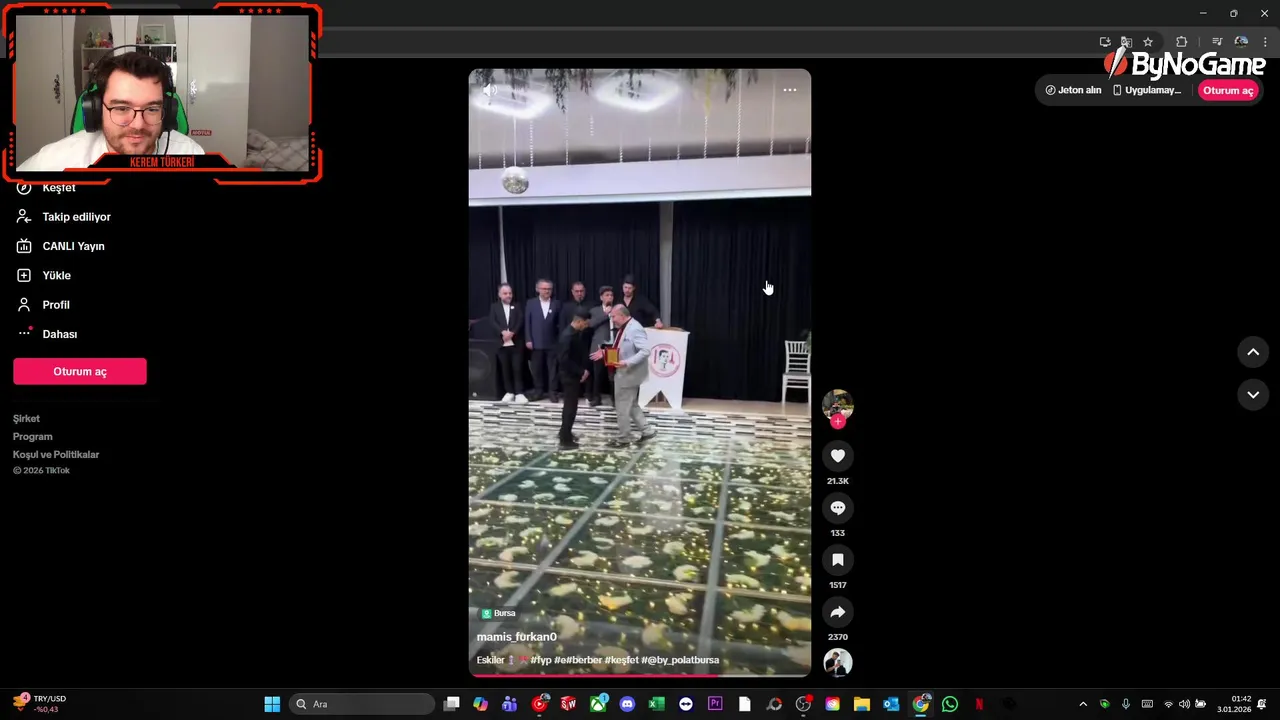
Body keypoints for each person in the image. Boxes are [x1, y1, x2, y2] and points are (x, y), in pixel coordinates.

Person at [17, 52, 204, 171]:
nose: (138, 125)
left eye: (152, 109)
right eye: (122, 108)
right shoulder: (56, 161)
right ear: (97, 110)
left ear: (167, 112)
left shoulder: (190, 154)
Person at [596, 305, 657, 446]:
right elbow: (621, 347)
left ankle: (624, 438)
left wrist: (627, 362)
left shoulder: (635, 328)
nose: (612, 319)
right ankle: (647, 431)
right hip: (625, 373)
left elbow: (645, 351)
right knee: (632, 404)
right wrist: (605, 353)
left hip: (628, 374)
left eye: (613, 316)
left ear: (622, 315)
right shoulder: (625, 327)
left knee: (622, 407)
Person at [555, 307, 593, 449]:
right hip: (569, 376)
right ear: (579, 321)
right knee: (570, 408)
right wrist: (580, 371)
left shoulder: (575, 334)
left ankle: (565, 432)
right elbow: (564, 360)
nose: (586, 326)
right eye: (585, 323)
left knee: (571, 406)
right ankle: (565, 440)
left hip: (573, 375)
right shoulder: (567, 336)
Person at [488, 283, 528, 404]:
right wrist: (502, 332)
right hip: (501, 343)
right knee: (505, 369)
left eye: (510, 293)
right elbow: (492, 321)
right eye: (505, 293)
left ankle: (519, 392)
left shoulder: (517, 306)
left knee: (517, 368)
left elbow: (521, 320)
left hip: (516, 343)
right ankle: (509, 392)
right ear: (499, 295)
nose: (508, 295)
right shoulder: (494, 307)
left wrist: (512, 333)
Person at [524, 279, 561, 402]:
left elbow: (559, 324)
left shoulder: (556, 304)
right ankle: (538, 391)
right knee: (537, 369)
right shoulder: (531, 303)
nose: (547, 291)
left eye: (549, 289)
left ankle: (552, 392)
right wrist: (528, 339)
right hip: (535, 343)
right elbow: (527, 322)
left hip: (552, 343)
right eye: (544, 289)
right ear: (537, 289)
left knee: (553, 370)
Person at [587, 285, 616, 407]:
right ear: (601, 297)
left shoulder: (618, 309)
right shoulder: (595, 311)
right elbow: (591, 324)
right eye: (607, 295)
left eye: (611, 295)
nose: (609, 297)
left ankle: (614, 399)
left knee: (612, 374)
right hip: (598, 345)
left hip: (613, 346)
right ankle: (596, 398)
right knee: (597, 373)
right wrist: (606, 314)